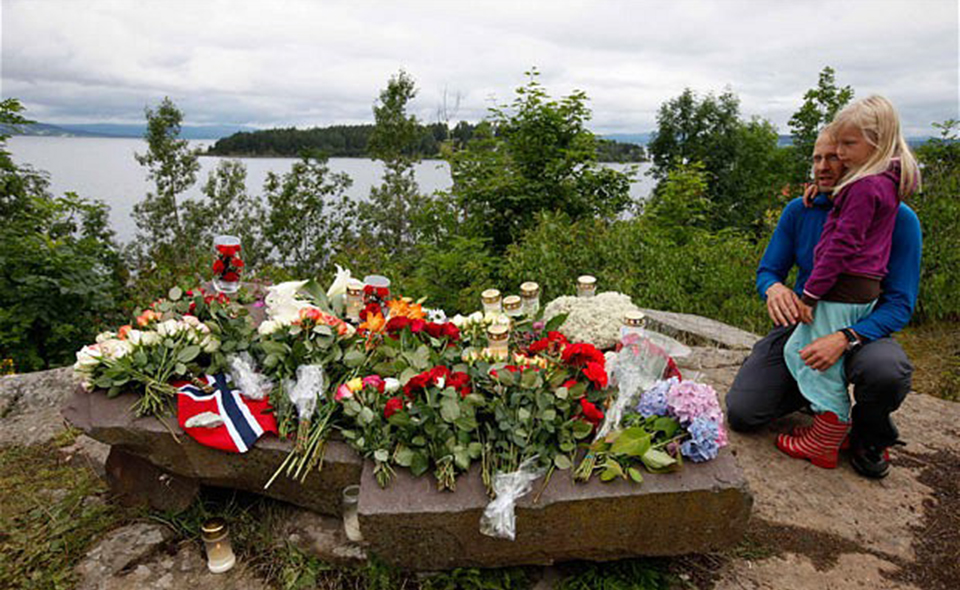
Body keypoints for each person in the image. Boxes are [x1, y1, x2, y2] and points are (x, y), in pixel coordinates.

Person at [725, 112, 922, 479]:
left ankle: (868, 433)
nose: (823, 166)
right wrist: (775, 289)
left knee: (886, 372)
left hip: (864, 328)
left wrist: (845, 339)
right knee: (744, 412)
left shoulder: (899, 218)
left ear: (859, 157)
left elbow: (900, 304)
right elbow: (768, 270)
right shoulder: (801, 210)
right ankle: (822, 405)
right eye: (817, 157)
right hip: (807, 319)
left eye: (835, 156)